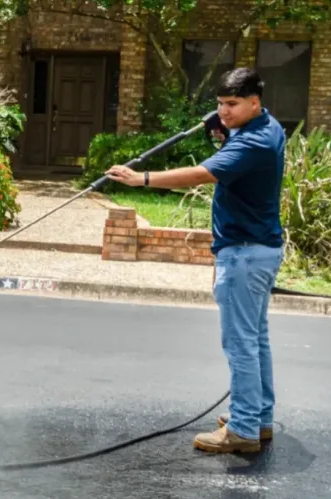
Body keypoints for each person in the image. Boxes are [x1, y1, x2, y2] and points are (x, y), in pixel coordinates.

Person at [104, 68, 286, 454]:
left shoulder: (252, 144)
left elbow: (202, 173)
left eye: (232, 105)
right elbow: (229, 142)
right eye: (220, 104)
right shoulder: (269, 126)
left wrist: (142, 180)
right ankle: (257, 418)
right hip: (261, 248)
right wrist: (224, 128)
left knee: (240, 345)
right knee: (256, 340)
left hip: (243, 253)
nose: (224, 111)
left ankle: (242, 430)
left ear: (255, 101)